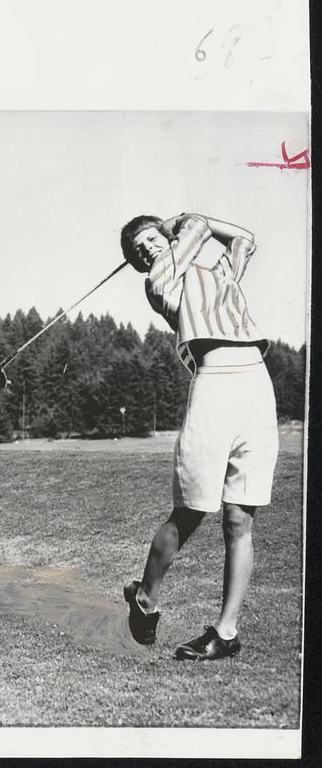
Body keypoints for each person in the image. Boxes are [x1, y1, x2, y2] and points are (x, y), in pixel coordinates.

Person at [119, 212, 278, 661]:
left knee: (239, 519)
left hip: (256, 384)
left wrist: (184, 222)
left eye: (149, 240)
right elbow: (201, 231)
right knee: (190, 511)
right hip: (213, 383)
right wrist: (184, 222)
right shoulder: (160, 279)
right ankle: (145, 598)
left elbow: (246, 237)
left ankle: (226, 634)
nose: (145, 250)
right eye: (138, 251)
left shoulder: (217, 274)